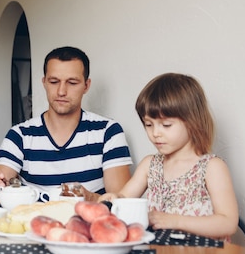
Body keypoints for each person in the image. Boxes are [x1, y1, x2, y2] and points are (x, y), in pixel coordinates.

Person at [0, 46, 133, 201]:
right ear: (44, 82)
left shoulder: (108, 132)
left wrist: (89, 198)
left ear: (86, 86)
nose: (61, 91)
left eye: (72, 83)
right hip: (32, 223)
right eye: (54, 81)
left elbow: (122, 204)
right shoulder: (20, 135)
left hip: (88, 223)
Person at [100, 73, 238, 240]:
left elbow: (228, 223)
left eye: (166, 125)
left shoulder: (211, 167)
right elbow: (124, 198)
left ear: (192, 121)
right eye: (148, 124)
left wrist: (174, 221)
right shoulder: (149, 165)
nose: (155, 133)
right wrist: (116, 198)